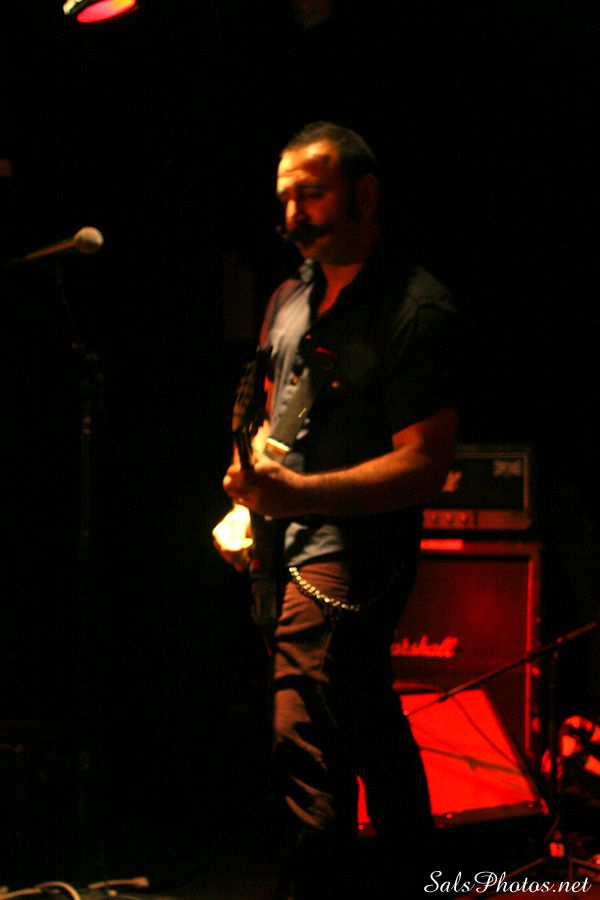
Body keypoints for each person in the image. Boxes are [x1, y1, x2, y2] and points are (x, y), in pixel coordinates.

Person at [213, 121, 460, 899]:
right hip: (282, 544)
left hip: (353, 554)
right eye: (285, 196)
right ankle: (425, 880)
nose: (293, 212)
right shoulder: (289, 298)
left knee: (303, 732)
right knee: (365, 719)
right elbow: (273, 421)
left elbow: (424, 465)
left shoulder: (415, 308)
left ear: (365, 194)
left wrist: (299, 496)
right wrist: (247, 500)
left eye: (312, 194)